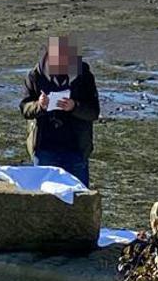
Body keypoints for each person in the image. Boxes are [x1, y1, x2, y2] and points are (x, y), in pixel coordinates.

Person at [19, 35, 100, 186]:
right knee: (43, 198)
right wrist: (39, 105)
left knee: (79, 198)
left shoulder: (84, 77)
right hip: (44, 148)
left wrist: (74, 106)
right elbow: (24, 108)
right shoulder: (35, 76)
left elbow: (93, 112)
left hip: (76, 149)